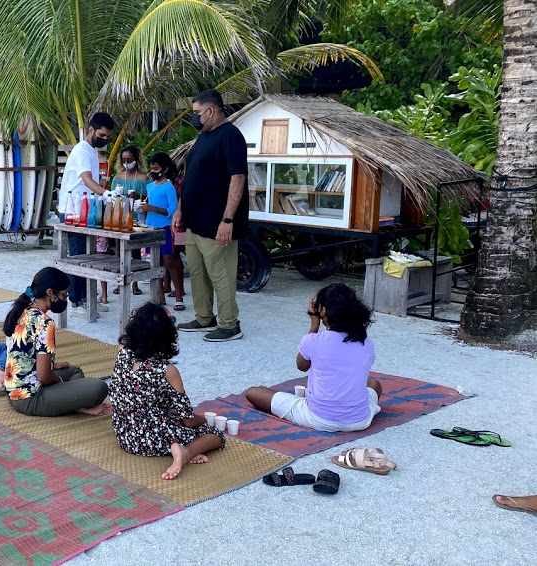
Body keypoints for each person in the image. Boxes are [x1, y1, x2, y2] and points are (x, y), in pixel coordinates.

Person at [244, 283, 383, 432]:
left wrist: (314, 324)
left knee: (253, 392)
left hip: (319, 418)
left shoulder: (314, 340)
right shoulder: (366, 343)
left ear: (323, 310)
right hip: (359, 420)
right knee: (374, 384)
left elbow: (302, 366)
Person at [110, 302, 225, 480]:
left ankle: (178, 447)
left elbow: (139, 397)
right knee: (214, 435)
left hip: (123, 432)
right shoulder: (166, 370)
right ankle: (185, 452)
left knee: (164, 416)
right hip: (150, 436)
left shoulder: (122, 351)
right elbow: (187, 419)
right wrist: (203, 420)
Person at [173, 89, 248, 341]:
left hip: (217, 223)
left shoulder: (230, 136)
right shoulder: (202, 138)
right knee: (197, 272)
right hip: (194, 222)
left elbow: (238, 178)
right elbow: (190, 176)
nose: (193, 117)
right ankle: (204, 317)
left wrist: (228, 220)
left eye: (196, 112)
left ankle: (229, 324)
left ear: (210, 111)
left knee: (221, 274)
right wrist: (181, 209)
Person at [2, 267, 109, 417]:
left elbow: (25, 355)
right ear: (50, 293)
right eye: (64, 295)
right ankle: (75, 404)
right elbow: (44, 377)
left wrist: (52, 366)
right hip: (30, 398)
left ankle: (70, 401)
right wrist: (58, 380)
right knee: (99, 388)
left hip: (14, 390)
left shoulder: (23, 309)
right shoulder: (45, 323)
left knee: (74, 371)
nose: (65, 299)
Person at [58, 112, 116, 317]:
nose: (104, 139)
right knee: (76, 257)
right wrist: (106, 192)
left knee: (86, 256)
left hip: (85, 209)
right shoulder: (82, 150)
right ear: (91, 130)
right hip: (72, 210)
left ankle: (86, 298)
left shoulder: (92, 151)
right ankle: (75, 302)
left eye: (107, 137)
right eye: (101, 134)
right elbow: (87, 179)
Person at [138, 153, 184, 310]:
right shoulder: (150, 186)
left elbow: (171, 210)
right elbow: (149, 204)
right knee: (154, 263)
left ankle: (178, 296)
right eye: (151, 168)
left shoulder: (169, 187)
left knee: (170, 260)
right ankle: (160, 296)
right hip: (150, 227)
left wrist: (152, 208)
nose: (153, 170)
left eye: (156, 168)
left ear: (164, 169)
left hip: (164, 228)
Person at [100, 146, 147, 302]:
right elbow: (112, 197)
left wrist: (138, 195)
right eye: (124, 160)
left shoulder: (142, 177)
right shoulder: (118, 177)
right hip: (120, 216)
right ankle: (121, 281)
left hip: (136, 216)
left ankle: (135, 283)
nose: (127, 162)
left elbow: (148, 198)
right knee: (119, 250)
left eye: (130, 160)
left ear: (136, 159)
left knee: (135, 251)